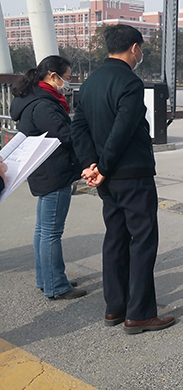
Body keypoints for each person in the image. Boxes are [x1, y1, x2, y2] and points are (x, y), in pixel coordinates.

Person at [71, 24, 174, 334]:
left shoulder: (90, 82)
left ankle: (114, 307)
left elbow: (79, 127)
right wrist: (102, 166)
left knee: (115, 237)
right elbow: (123, 129)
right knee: (142, 240)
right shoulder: (129, 82)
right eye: (140, 49)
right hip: (131, 173)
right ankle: (139, 313)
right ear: (134, 48)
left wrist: (91, 164)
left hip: (107, 179)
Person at [9, 56, 86, 300]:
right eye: (67, 77)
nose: (68, 82)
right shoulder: (44, 104)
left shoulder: (32, 98)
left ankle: (46, 279)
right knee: (51, 232)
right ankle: (56, 285)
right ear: (53, 76)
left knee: (43, 230)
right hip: (54, 172)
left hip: (43, 170)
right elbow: (66, 135)